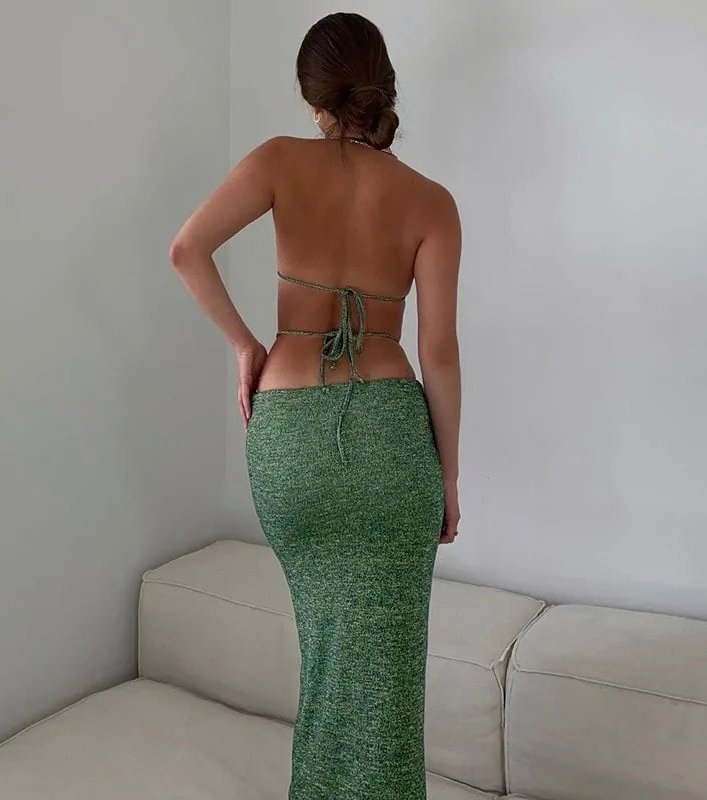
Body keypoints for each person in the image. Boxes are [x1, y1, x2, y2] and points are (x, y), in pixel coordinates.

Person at [168, 11, 461, 799]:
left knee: (329, 655)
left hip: (290, 438)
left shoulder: (278, 160)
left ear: (313, 97)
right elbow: (438, 353)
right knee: (385, 679)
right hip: (393, 444)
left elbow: (186, 250)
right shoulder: (431, 202)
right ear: (382, 87)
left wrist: (245, 346)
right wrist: (448, 478)